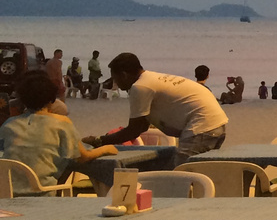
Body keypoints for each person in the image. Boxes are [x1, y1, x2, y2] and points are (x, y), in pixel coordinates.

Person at [84, 53, 229, 158]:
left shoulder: (140, 87)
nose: (116, 84)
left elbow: (133, 131)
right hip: (217, 123)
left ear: (124, 75)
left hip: (201, 127)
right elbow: (143, 126)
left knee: (182, 177)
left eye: (116, 79)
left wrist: (100, 141)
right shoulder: (151, 79)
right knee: (200, 172)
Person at [1, 70, 116, 186]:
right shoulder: (62, 123)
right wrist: (105, 149)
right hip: (43, 191)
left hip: (7, 191)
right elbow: (83, 157)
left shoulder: (10, 123)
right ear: (52, 99)